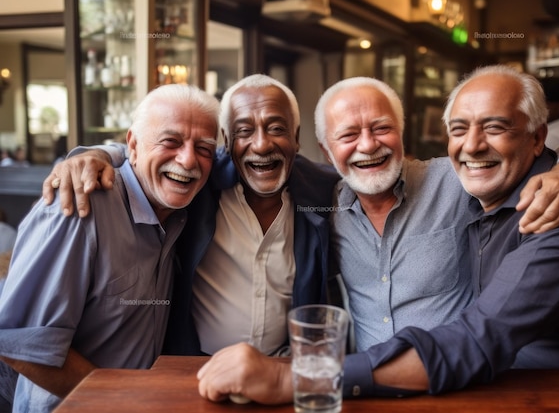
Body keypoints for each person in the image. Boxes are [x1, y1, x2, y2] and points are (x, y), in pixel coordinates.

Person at [194, 73, 559, 405]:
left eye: (381, 128)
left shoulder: (466, 182)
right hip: (369, 393)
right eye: (347, 136)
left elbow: (482, 336)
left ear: (403, 136)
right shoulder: (325, 194)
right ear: (326, 154)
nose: (367, 146)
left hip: (477, 388)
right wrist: (122, 158)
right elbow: (169, 157)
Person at [40, 74, 339, 358]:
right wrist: (98, 154)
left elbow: (361, 174)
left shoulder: (322, 189)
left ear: (296, 138)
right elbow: (153, 154)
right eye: (245, 131)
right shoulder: (198, 182)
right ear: (226, 140)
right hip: (192, 368)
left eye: (276, 129)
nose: (261, 145)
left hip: (282, 368)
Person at [0, 83, 220, 412]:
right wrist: (124, 399)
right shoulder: (79, 205)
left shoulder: (176, 214)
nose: (188, 159)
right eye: (170, 141)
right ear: (133, 145)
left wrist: (103, 151)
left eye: (204, 148)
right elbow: (20, 344)